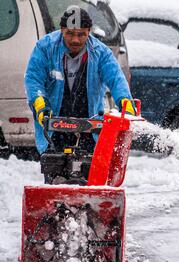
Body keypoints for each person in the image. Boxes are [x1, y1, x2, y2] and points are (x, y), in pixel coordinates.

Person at [24, 6, 135, 157]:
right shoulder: (45, 48)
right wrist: (40, 104)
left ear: (89, 31)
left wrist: (126, 103)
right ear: (62, 29)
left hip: (91, 126)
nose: (75, 40)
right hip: (53, 126)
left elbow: (117, 80)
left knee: (91, 176)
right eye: (70, 33)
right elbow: (33, 80)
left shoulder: (101, 53)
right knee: (54, 169)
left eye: (81, 35)